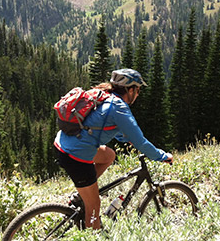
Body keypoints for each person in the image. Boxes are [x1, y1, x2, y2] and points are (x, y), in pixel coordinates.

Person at [54, 68, 173, 229]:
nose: (138, 94)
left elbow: (102, 125)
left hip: (63, 143)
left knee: (109, 155)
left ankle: (83, 195)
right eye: (138, 90)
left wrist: (126, 139)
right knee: (94, 206)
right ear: (130, 90)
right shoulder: (119, 108)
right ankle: (91, 234)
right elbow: (142, 143)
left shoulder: (105, 97)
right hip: (75, 156)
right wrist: (162, 156)